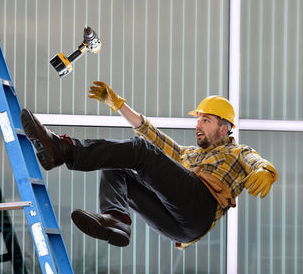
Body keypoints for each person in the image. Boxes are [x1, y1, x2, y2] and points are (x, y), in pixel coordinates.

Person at [20, 81, 277, 249]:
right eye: (198, 120)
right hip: (178, 229)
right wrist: (119, 105)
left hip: (202, 206)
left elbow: (254, 161)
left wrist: (266, 170)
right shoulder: (187, 155)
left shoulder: (237, 151)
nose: (198, 125)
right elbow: (151, 134)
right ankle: (117, 219)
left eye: (206, 121)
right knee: (116, 161)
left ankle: (64, 149)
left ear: (225, 128)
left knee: (139, 151)